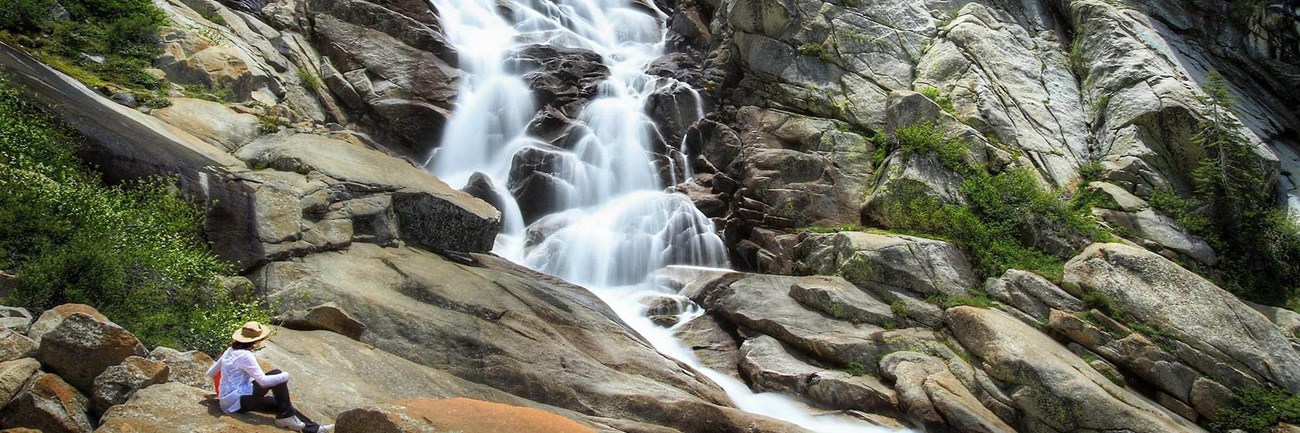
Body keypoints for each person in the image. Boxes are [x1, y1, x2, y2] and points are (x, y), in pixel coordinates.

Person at [206, 321, 334, 433]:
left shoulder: (230, 351)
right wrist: (286, 375)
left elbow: (211, 373)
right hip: (237, 401)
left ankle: (313, 429)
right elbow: (263, 381)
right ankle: (287, 418)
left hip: (229, 400)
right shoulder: (246, 355)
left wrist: (225, 388)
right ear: (255, 341)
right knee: (278, 377)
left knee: (280, 403)